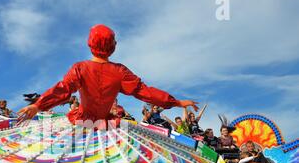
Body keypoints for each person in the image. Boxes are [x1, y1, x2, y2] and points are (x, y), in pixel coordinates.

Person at [17, 24, 199, 127]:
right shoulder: (120, 72)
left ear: (90, 44)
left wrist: (38, 105)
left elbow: (63, 90)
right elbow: (145, 92)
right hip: (107, 126)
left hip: (82, 123)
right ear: (113, 47)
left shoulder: (80, 68)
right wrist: (176, 102)